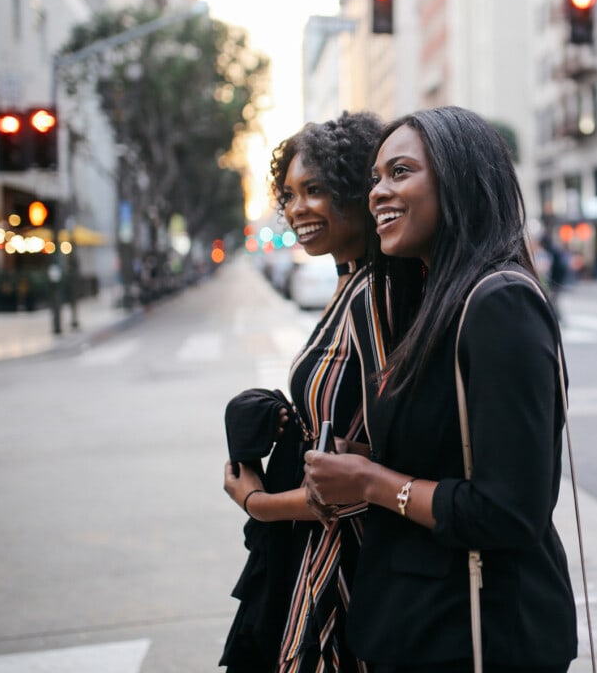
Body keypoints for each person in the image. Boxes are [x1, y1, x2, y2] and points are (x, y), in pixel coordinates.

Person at [303, 106, 578, 672]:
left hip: (481, 634)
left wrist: (373, 481)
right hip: (414, 626)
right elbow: (443, 449)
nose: (378, 192)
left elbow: (510, 511)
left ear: (458, 178)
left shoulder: (500, 303)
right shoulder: (426, 302)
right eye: (375, 178)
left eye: (400, 172)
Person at [221, 112, 384, 673]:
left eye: (315, 190)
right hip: (327, 557)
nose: (296, 210)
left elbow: (363, 481)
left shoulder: (378, 296)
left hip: (353, 567)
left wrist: (258, 504)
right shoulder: (351, 282)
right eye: (289, 194)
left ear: (359, 190)